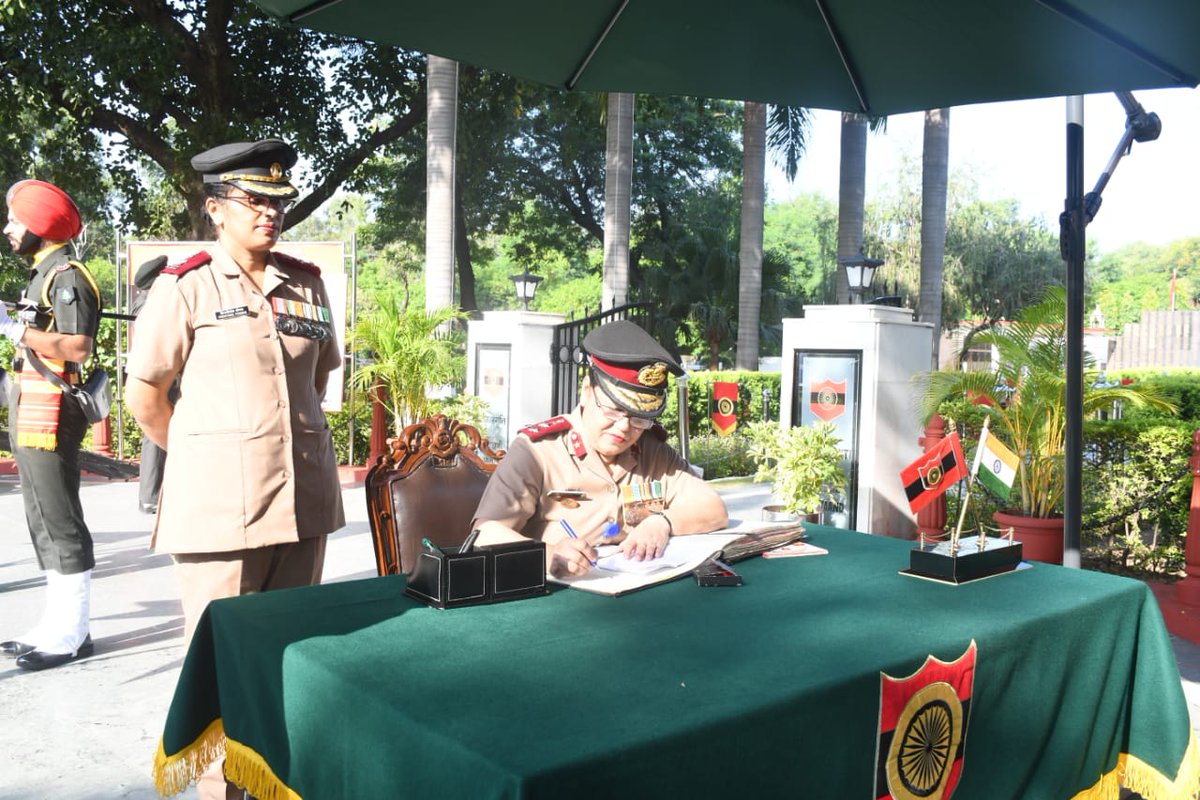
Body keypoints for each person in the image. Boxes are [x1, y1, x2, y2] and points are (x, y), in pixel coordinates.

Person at [125, 139, 344, 799]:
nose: (270, 213)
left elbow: (320, 376)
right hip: (218, 515)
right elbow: (146, 396)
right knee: (223, 670)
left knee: (289, 658)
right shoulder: (185, 284)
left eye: (278, 201)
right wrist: (208, 457)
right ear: (215, 208)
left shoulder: (304, 281)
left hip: (301, 503)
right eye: (254, 200)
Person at [473, 320, 729, 576]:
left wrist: (662, 522)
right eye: (614, 410)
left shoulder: (651, 450)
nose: (624, 428)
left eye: (638, 418)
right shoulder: (537, 452)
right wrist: (548, 555)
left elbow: (713, 508)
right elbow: (484, 533)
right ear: (586, 391)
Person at [0, 179, 101, 671]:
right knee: (40, 514)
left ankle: (72, 630)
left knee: (59, 515)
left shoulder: (67, 276)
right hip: (33, 402)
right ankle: (53, 622)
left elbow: (77, 346)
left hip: (54, 408)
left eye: (16, 221)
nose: (8, 229)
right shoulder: (43, 275)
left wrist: (16, 328)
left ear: (40, 225)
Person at [129, 255, 170, 515]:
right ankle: (151, 496)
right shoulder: (148, 304)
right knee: (154, 438)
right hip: (158, 375)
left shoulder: (148, 302)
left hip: (162, 373)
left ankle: (156, 493)